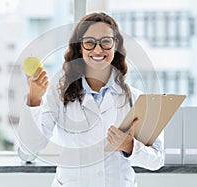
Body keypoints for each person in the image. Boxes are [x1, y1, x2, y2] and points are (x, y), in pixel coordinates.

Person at [18, 12, 164, 187]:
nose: (97, 49)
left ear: (115, 45)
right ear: (80, 47)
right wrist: (34, 100)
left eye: (106, 41)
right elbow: (29, 150)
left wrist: (129, 146)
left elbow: (157, 159)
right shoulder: (58, 95)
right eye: (89, 42)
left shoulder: (135, 98)